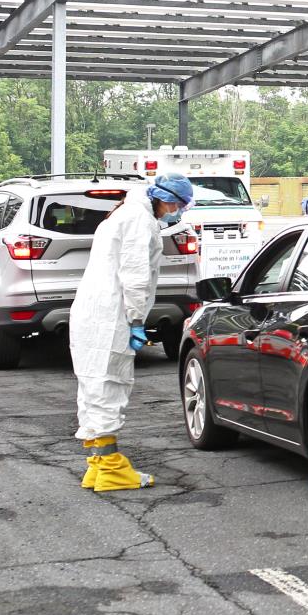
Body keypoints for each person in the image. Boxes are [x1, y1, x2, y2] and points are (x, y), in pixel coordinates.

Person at [70, 172, 194, 492]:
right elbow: (136, 275)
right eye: (178, 205)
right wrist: (137, 320)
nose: (178, 211)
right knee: (110, 387)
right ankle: (111, 469)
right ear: (165, 200)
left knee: (94, 389)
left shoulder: (124, 213)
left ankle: (96, 465)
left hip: (91, 313)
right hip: (112, 316)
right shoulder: (139, 220)